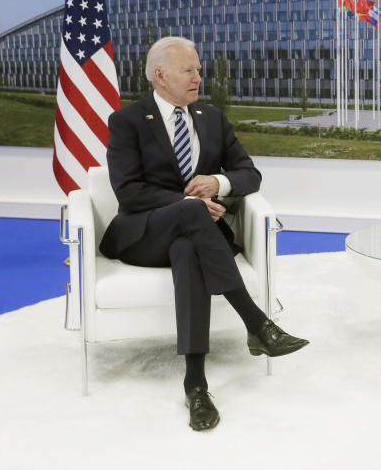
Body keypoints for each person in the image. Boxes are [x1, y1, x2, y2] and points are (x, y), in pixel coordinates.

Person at [99, 36, 308, 431]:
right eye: (189, 70)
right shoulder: (127, 121)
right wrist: (189, 202)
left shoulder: (212, 118)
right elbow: (128, 190)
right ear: (160, 76)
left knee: (187, 250)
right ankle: (257, 323)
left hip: (193, 239)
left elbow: (250, 174)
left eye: (198, 69)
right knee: (190, 219)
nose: (199, 76)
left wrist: (216, 182)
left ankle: (195, 384)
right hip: (144, 236)